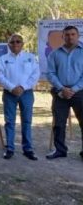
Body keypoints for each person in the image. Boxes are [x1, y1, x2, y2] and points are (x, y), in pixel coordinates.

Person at [0, 34, 40, 160]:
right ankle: (10, 148)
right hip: (9, 94)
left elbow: (35, 74)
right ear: (8, 44)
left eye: (18, 41)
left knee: (27, 121)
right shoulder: (3, 59)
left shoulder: (30, 57)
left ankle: (28, 149)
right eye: (12, 42)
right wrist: (12, 88)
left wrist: (23, 87)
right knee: (9, 122)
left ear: (22, 43)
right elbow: (0, 75)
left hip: (26, 93)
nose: (15, 44)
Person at [46, 25, 83, 160]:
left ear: (78, 35)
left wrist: (73, 89)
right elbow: (50, 73)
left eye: (73, 34)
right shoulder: (54, 54)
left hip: (79, 92)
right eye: (67, 35)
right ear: (63, 37)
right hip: (60, 92)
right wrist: (62, 88)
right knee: (59, 123)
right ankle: (60, 150)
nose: (70, 37)